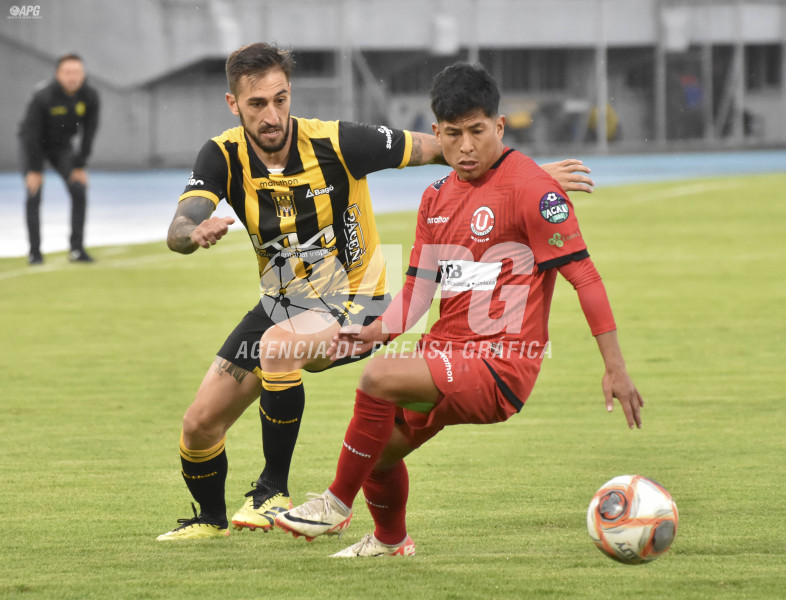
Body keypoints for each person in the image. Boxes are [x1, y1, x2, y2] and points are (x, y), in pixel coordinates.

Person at [157, 42, 596, 540]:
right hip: (283, 302)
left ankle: (271, 492)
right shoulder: (222, 155)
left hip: (358, 301)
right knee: (199, 424)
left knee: (278, 348)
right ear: (234, 105)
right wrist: (190, 236)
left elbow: (444, 144)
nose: (272, 114)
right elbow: (182, 220)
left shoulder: (337, 142)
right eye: (257, 104)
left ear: (290, 95)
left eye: (280, 99)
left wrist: (525, 176)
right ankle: (211, 521)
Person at [274, 62, 644, 557]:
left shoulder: (533, 189)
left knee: (379, 379)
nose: (465, 146)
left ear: (498, 126)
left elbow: (586, 278)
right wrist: (371, 332)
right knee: (377, 454)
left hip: (501, 365)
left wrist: (615, 368)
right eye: (453, 134)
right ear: (436, 133)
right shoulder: (435, 198)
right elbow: (417, 297)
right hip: (446, 353)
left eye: (476, 131)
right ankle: (391, 543)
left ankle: (335, 506)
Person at [18, 53, 100, 264]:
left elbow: (89, 132)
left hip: (62, 148)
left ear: (83, 74)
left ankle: (77, 250)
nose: (73, 77)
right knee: (34, 194)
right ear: (58, 74)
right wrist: (35, 170)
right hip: (34, 146)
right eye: (68, 72)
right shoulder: (42, 96)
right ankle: (34, 252)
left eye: (77, 72)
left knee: (78, 189)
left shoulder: (89, 96)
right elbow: (30, 135)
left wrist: (80, 164)